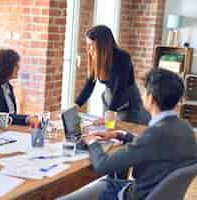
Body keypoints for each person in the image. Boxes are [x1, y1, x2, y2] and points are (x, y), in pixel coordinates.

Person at [73, 68, 197, 200]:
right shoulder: (186, 128)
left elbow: (102, 165)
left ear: (150, 99)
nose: (142, 95)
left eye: (144, 91)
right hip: (155, 192)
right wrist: (120, 135)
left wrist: (92, 141)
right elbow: (155, 146)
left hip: (136, 195)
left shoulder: (153, 134)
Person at [75, 25, 149, 125]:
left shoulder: (122, 57)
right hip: (109, 98)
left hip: (126, 102)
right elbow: (89, 84)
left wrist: (111, 112)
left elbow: (120, 87)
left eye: (92, 45)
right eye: (87, 44)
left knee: (122, 131)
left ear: (103, 45)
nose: (88, 49)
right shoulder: (96, 57)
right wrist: (77, 104)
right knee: (107, 130)